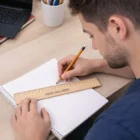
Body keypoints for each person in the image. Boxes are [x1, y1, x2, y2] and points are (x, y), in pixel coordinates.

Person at [11, 0, 140, 140]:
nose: (94, 46)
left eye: (92, 35)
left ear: (117, 28)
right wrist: (97, 65)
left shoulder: (114, 127)